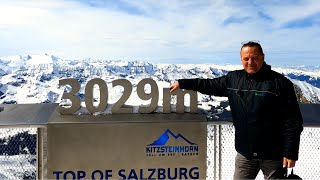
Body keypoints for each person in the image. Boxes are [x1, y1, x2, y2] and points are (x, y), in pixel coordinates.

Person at [170, 41, 303, 179]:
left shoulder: (280, 83)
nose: (250, 62)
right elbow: (208, 85)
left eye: (255, 57)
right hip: (245, 154)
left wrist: (290, 152)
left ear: (262, 57)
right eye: (246, 58)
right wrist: (183, 83)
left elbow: (293, 120)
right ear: (241, 59)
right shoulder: (233, 79)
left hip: (273, 155)